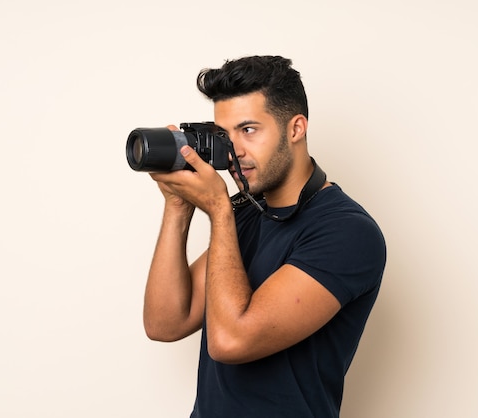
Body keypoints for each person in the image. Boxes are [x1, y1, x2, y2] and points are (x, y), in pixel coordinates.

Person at [142, 55, 386, 418]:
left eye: (249, 129)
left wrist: (219, 210)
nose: (234, 151)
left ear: (296, 128)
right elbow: (165, 323)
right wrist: (178, 207)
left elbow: (231, 341)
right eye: (225, 134)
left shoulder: (347, 231)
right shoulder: (248, 213)